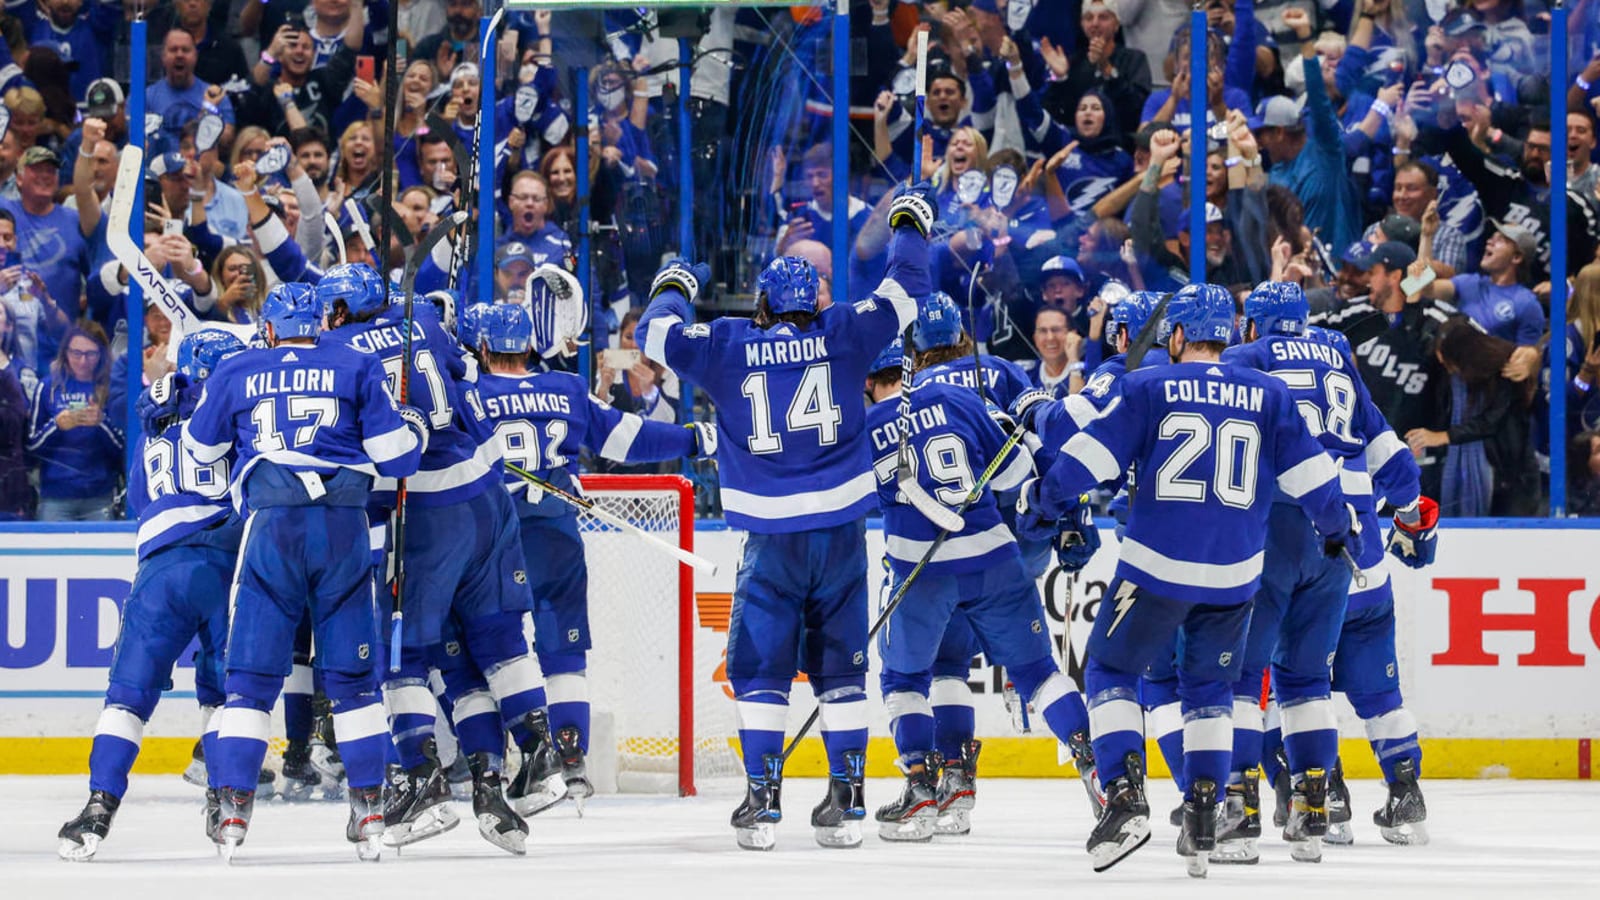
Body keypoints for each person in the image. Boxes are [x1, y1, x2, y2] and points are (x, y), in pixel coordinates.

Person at [1018, 282, 1354, 875]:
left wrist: (1041, 502)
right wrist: (1339, 528)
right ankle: (1206, 814)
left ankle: (1123, 800)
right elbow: (1316, 484)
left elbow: (1087, 464)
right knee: (1210, 691)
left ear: (1176, 335)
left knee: (1111, 668)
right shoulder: (1268, 393)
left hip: (1155, 566)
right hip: (1236, 576)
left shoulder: (1148, 385)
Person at [636, 182, 934, 850]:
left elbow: (652, 333)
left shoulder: (728, 343)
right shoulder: (848, 331)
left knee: (761, 671)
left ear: (764, 304)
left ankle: (763, 801)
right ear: (816, 301)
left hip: (771, 540)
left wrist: (677, 282)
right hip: (842, 536)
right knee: (842, 670)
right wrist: (911, 221)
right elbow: (908, 284)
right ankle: (848, 800)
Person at [180, 282, 427, 859]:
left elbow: (199, 454)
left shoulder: (238, 369)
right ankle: (369, 806)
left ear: (268, 328)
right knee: (353, 684)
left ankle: (235, 808)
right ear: (321, 323)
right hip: (343, 528)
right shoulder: (358, 363)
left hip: (272, 528)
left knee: (249, 682)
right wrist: (410, 423)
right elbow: (399, 459)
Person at [315, 263, 544, 854]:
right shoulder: (421, 318)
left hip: (423, 512)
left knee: (403, 659)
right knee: (491, 644)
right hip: (487, 497)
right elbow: (463, 374)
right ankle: (530, 760)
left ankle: (423, 779)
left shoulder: (336, 349)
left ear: (340, 309)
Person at [465, 297, 710, 806]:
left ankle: (506, 763)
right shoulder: (567, 387)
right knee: (564, 649)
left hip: (495, 533)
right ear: (530, 346)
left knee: (497, 649)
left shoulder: (470, 394)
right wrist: (693, 437)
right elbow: (628, 437)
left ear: (482, 347)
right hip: (556, 529)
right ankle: (573, 765)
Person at [1213, 282, 1419, 865]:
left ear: (1253, 324)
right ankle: (1312, 809)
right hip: (1341, 535)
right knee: (1306, 680)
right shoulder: (1336, 359)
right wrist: (1410, 512)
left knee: (1244, 678)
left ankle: (1242, 809)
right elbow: (1389, 452)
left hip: (1276, 527)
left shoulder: (1245, 358)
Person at [866, 329, 1096, 843]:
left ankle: (929, 790)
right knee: (1037, 671)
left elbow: (851, 498)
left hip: (921, 575)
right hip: (994, 558)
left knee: (907, 680)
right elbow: (1018, 470)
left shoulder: (870, 424)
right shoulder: (964, 395)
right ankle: (1101, 774)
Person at [56, 330, 247, 862]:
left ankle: (99, 806)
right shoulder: (240, 417)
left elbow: (142, 500)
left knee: (127, 697)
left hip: (160, 570)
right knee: (227, 694)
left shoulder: (152, 428)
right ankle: (222, 798)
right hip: (227, 563)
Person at [27, 324, 122, 521]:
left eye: (91, 354)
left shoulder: (113, 387)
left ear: (101, 354)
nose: (82, 361)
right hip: (55, 497)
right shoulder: (47, 387)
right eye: (76, 353)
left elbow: (124, 450)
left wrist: (101, 423)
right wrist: (57, 425)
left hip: (100, 496)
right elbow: (31, 446)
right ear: (65, 352)